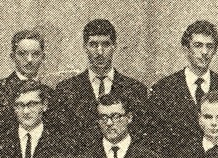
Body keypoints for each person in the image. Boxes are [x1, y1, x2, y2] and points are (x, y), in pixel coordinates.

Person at [147, 21, 218, 152]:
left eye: (210, 46)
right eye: (198, 45)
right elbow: (156, 140)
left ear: (215, 51)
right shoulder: (163, 88)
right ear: (186, 49)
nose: (204, 52)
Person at [57, 19, 149, 148]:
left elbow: (140, 137)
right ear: (84, 47)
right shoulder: (66, 89)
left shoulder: (135, 89)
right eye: (93, 45)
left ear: (114, 46)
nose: (99, 52)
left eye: (106, 44)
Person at [0, 29, 79, 143]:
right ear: (13, 57)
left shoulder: (51, 94)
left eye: (35, 54)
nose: (29, 60)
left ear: (43, 57)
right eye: (22, 54)